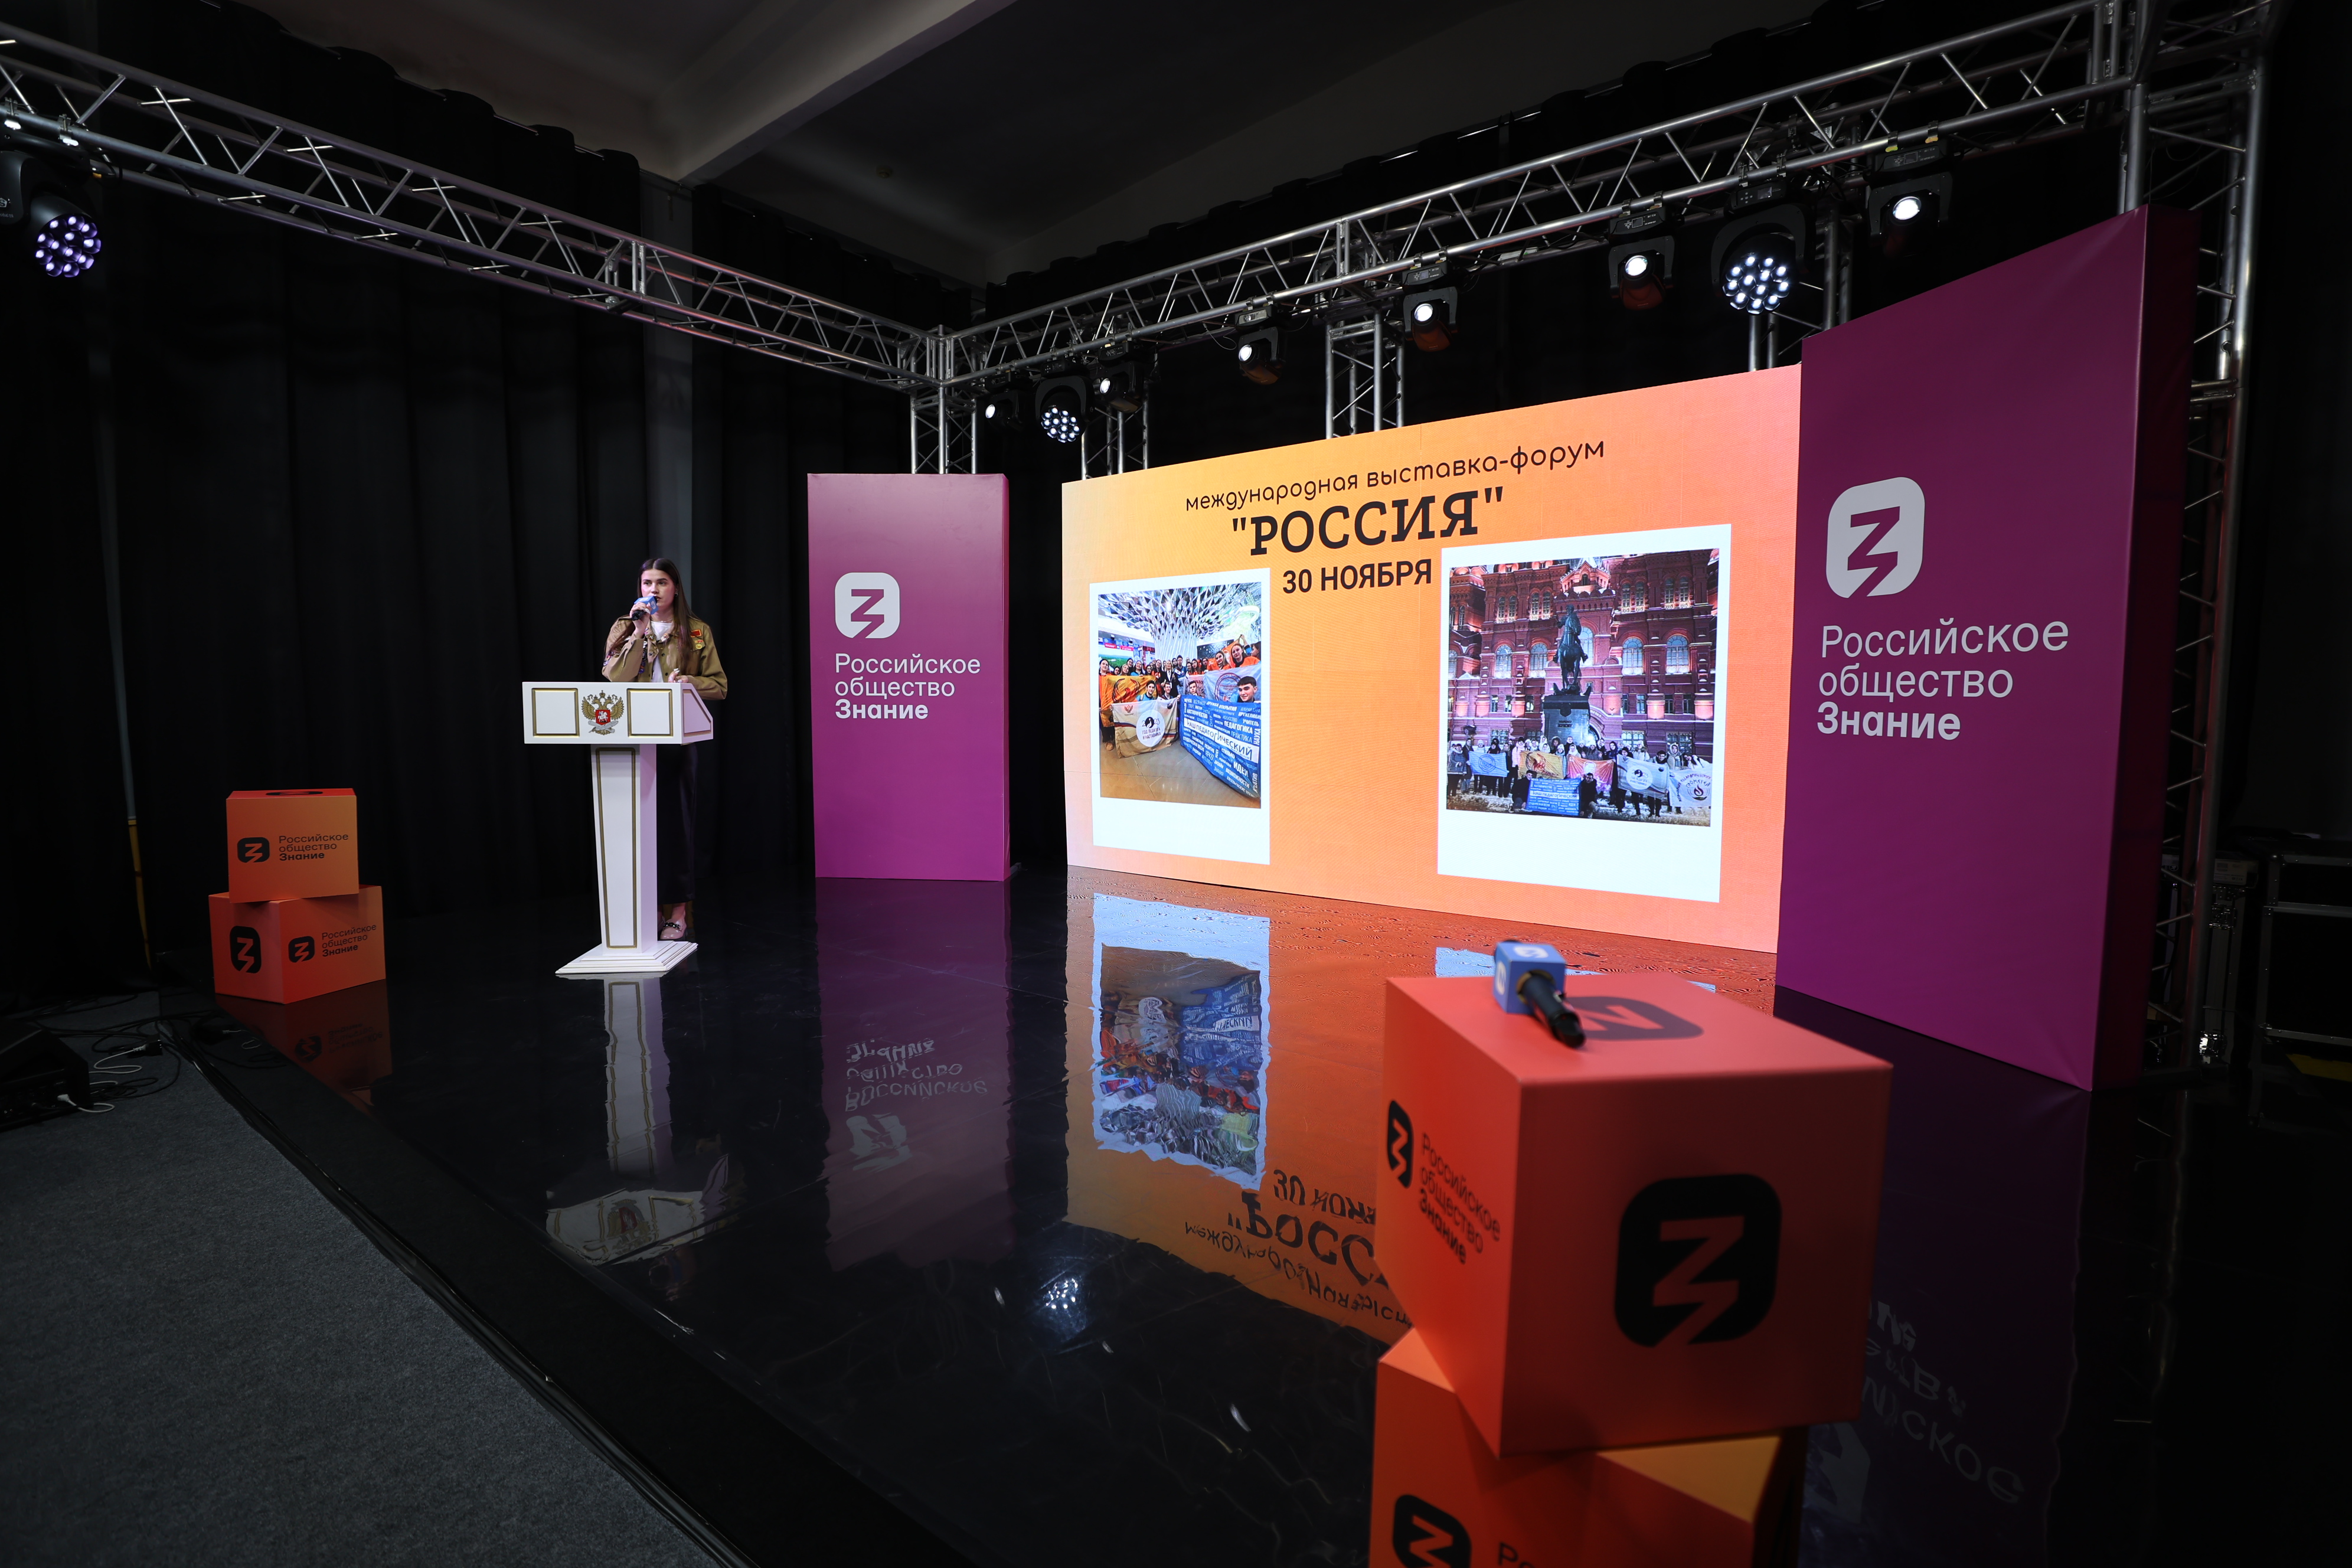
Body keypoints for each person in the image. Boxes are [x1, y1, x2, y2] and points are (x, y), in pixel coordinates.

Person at [602, 557, 727, 942]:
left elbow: (719, 685)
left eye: (661, 583)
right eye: (647, 583)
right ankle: (648, 908)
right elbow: (615, 676)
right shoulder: (625, 627)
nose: (653, 590)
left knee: (676, 825)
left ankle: (678, 912)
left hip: (676, 737)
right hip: (635, 736)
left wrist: (689, 681)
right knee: (639, 826)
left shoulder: (697, 631)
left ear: (675, 588)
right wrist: (639, 632)